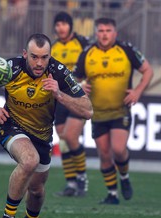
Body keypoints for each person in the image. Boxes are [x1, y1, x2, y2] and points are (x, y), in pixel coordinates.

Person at [0, 33, 93, 218]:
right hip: (11, 126)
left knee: (37, 190)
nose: (39, 63)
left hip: (42, 135)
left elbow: (88, 110)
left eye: (44, 57)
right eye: (34, 57)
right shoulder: (10, 68)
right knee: (29, 160)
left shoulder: (58, 72)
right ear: (25, 54)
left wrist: (59, 94)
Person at [74, 18, 153, 204]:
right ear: (96, 33)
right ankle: (112, 194)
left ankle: (124, 177)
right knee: (104, 154)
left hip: (120, 110)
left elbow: (148, 71)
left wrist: (137, 91)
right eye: (100, 30)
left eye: (108, 30)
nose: (104, 34)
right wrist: (80, 86)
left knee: (118, 149)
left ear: (115, 33)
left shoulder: (126, 50)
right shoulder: (87, 53)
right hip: (98, 113)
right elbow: (74, 80)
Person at [51, 11, 90, 197]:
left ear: (70, 26)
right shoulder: (53, 47)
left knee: (71, 136)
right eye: (58, 24)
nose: (61, 28)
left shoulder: (83, 43)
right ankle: (71, 183)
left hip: (78, 97)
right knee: (64, 140)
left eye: (64, 24)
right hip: (59, 98)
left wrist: (85, 83)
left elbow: (93, 65)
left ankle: (82, 177)